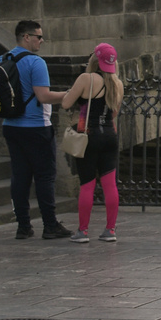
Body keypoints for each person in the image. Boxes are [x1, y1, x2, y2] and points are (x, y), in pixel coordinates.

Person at [0, 21, 69, 239]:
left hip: (11, 126)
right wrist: (69, 94)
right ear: (26, 37)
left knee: (20, 177)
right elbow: (44, 96)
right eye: (38, 36)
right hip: (36, 127)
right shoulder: (35, 62)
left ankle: (23, 226)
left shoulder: (3, 59)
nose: (41, 40)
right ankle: (50, 225)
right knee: (45, 176)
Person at [60, 43, 123, 242]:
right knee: (110, 185)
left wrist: (73, 92)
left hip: (89, 136)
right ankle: (110, 230)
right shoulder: (118, 84)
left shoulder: (86, 79)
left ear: (94, 60)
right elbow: (114, 114)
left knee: (87, 184)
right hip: (110, 137)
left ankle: (83, 231)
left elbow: (66, 103)